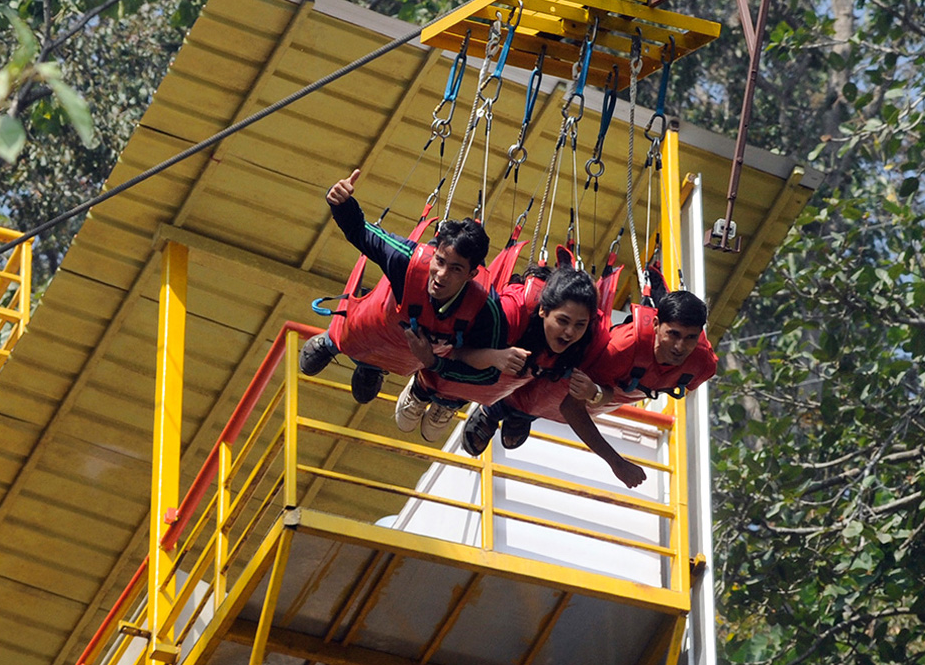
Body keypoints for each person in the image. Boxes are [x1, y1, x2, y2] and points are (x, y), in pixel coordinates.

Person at [300, 169, 503, 439]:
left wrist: (434, 363)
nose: (441, 275)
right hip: (361, 330)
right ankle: (331, 342)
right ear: (433, 254)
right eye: (439, 261)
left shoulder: (485, 308)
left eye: (455, 269)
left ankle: (373, 367)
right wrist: (341, 202)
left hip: (403, 357)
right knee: (342, 352)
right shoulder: (406, 260)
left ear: (471, 274)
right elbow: (361, 232)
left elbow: (488, 373)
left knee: (366, 391)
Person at [463, 289, 717, 489]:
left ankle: (520, 416)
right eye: (673, 334)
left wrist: (597, 394)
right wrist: (616, 462)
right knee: (542, 390)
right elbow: (571, 408)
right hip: (571, 380)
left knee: (547, 403)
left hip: (606, 393)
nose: (680, 347)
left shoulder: (702, 364)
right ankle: (495, 411)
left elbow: (601, 394)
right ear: (657, 324)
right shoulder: (621, 348)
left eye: (690, 338)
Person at [396, 264, 606, 443]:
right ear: (543, 310)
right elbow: (456, 349)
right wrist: (494, 356)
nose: (570, 332)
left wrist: (594, 392)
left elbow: (605, 394)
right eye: (563, 321)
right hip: (451, 364)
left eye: (580, 324)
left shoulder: (586, 338)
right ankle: (421, 390)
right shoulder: (510, 313)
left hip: (483, 389)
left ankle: (452, 402)